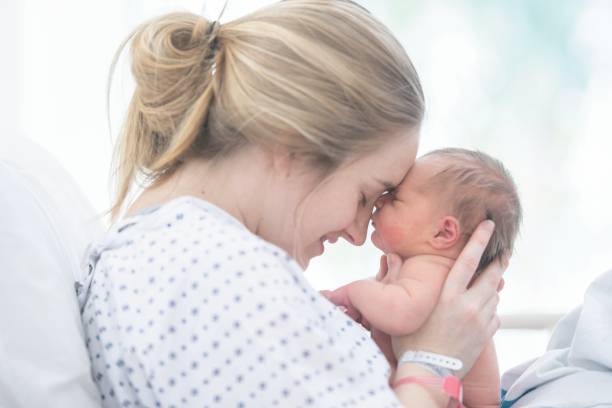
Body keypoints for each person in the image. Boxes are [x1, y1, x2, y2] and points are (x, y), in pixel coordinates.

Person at [77, 1, 504, 406]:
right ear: (293, 144)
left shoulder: (181, 256)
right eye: (363, 197)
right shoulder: (219, 276)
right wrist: (435, 361)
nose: (359, 235)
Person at [323, 148, 522, 407]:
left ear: (443, 232)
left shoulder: (432, 269)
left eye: (395, 197)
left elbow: (401, 313)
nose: (379, 201)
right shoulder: (429, 271)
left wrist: (352, 293)